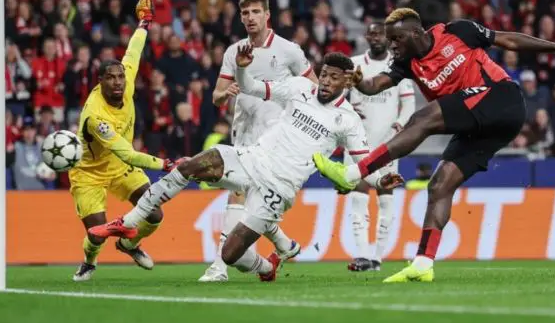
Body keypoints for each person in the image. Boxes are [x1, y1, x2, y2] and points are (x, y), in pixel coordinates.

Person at [312, 8, 555, 282]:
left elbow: (508, 39)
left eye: (396, 39)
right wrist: (360, 83)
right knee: (439, 185)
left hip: (501, 98)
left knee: (423, 117)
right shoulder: (405, 64)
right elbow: (375, 85)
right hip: (480, 123)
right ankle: (423, 264)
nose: (392, 45)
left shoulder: (458, 31)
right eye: (389, 40)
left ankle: (351, 174)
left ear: (415, 33)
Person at [88, 51, 403, 282]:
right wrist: (240, 70)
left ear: (347, 81)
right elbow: (252, 87)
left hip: (280, 187)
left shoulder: (348, 120)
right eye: (324, 74)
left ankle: (267, 267)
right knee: (193, 164)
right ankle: (131, 221)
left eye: (334, 77)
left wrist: (378, 182)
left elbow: (362, 163)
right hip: (254, 158)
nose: (325, 82)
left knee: (230, 254)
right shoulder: (299, 88)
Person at [199, 0, 318, 282]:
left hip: (275, 138)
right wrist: (224, 94)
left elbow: (314, 88)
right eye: (245, 13)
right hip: (244, 129)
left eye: (255, 12)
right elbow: (216, 96)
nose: (250, 18)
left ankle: (219, 267)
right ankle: (283, 244)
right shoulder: (234, 52)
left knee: (240, 193)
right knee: (252, 198)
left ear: (267, 15)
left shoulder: (289, 50)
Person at [68, 0, 182, 282]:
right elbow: (128, 153)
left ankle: (129, 244)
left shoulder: (127, 80)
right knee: (96, 234)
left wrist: (144, 23)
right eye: (111, 78)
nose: (118, 82)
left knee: (155, 215)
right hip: (89, 174)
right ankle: (89, 263)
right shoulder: (96, 117)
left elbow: (133, 51)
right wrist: (166, 164)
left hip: (120, 170)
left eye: (120, 77)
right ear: (100, 81)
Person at [345, 21, 415, 272]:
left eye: (379, 34)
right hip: (357, 143)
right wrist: (347, 109)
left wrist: (398, 126)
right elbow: (338, 97)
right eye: (371, 33)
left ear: (387, 38)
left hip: (387, 145)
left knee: (385, 200)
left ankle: (377, 257)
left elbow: (408, 105)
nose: (374, 37)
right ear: (365, 37)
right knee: (358, 198)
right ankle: (362, 255)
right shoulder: (353, 64)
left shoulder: (398, 67)